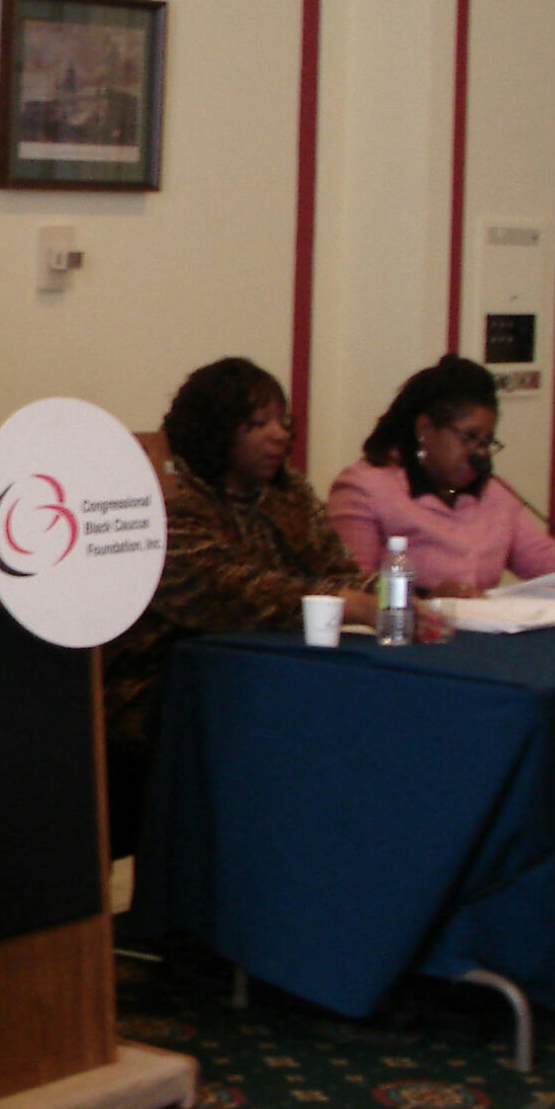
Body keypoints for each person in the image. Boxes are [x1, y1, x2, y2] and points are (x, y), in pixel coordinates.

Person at [103, 359, 372, 856]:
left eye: (283, 423)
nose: (278, 437)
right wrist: (346, 604)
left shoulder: (284, 492)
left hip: (261, 674)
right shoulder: (164, 499)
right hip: (158, 688)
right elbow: (233, 593)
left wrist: (408, 593)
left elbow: (337, 568)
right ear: (216, 428)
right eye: (258, 424)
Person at [326, 354, 555, 594]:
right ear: (426, 428)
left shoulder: (493, 492)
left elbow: (540, 559)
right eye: (468, 438)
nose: (480, 455)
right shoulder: (364, 488)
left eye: (487, 442)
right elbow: (350, 586)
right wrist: (426, 600)